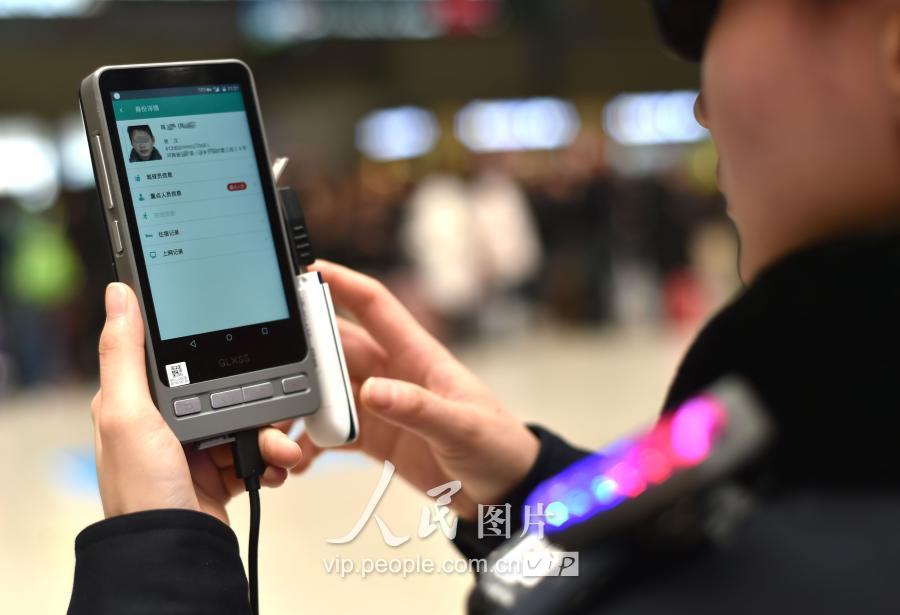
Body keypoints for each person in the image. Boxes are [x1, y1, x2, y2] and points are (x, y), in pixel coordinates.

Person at [69, 0, 900, 613]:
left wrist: (158, 560)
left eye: (708, 21)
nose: (700, 102)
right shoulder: (824, 434)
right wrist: (520, 488)